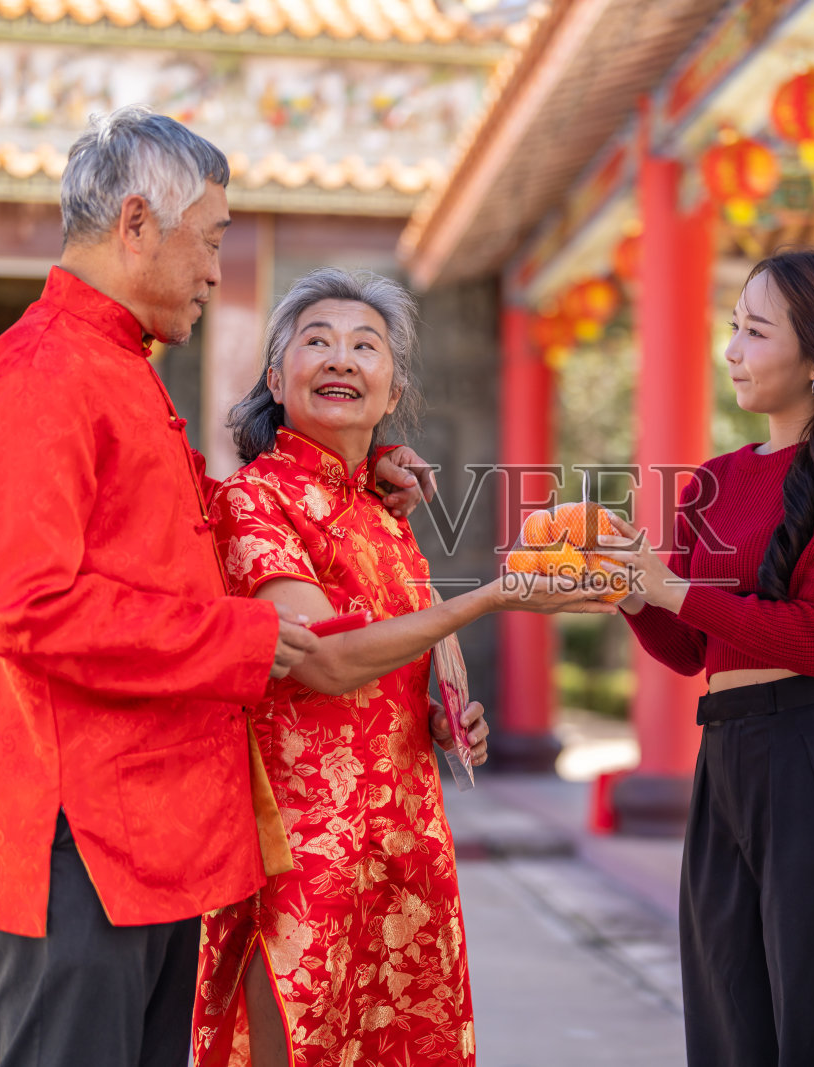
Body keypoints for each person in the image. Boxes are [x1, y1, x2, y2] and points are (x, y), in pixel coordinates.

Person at [0, 107, 437, 1067]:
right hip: (79, 835)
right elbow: (11, 600)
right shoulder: (43, 372)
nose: (214, 270)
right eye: (209, 241)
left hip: (147, 829)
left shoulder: (117, 365)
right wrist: (234, 641)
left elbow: (186, 518)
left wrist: (346, 477)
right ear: (136, 225)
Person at [192, 268, 613, 1067]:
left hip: (404, 852)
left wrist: (441, 714)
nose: (341, 358)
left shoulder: (385, 514)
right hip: (301, 858)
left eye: (365, 345)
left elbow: (397, 662)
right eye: (315, 342)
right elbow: (320, 660)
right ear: (276, 379)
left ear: (393, 392)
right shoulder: (255, 500)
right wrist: (492, 595)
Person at [597, 249, 814, 1065]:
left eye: (754, 331)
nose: (731, 349)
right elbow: (691, 647)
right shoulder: (711, 481)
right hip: (728, 756)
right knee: (729, 1015)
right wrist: (629, 588)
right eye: (731, 327)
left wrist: (670, 590)